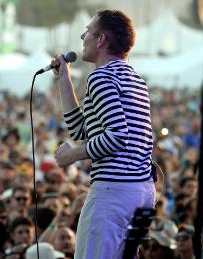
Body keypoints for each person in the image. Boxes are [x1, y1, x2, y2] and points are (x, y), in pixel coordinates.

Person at [51, 9, 155, 258]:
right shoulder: (135, 80)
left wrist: (74, 155)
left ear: (101, 40)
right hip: (141, 193)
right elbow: (82, 130)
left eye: (88, 30)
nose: (82, 35)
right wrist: (64, 80)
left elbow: (118, 136)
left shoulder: (101, 77)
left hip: (113, 193)